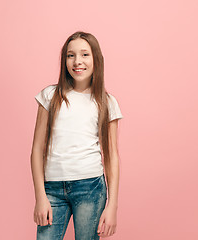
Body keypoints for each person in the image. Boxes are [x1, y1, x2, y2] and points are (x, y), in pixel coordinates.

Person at [30, 31, 123, 240]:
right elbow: (37, 149)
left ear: (96, 60)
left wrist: (112, 206)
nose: (77, 61)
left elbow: (112, 157)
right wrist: (40, 196)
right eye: (70, 55)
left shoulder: (106, 102)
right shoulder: (50, 96)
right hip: (52, 189)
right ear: (64, 60)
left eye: (84, 55)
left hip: (90, 188)